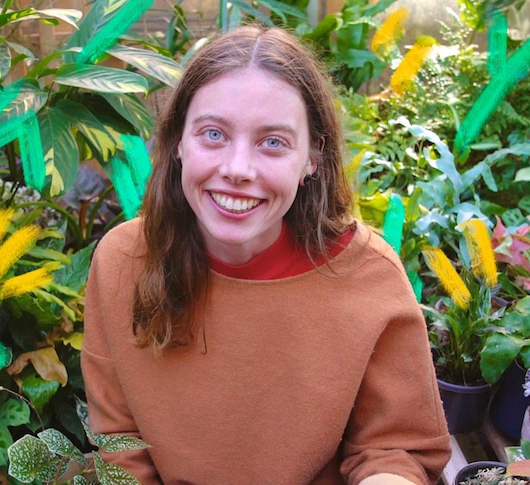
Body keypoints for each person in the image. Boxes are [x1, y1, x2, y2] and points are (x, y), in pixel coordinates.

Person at [81, 25, 451, 484]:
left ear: (312, 158)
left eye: (272, 142)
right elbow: (120, 445)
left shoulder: (367, 277)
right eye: (213, 134)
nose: (238, 169)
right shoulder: (122, 262)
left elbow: (396, 449)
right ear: (178, 142)